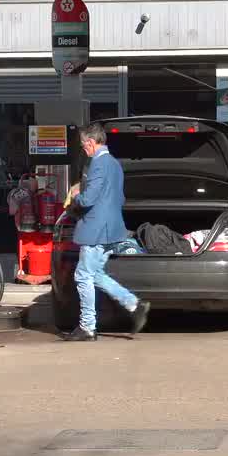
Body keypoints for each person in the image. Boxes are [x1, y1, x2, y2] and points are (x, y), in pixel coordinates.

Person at [64, 123, 150, 342]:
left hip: (95, 230)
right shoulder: (115, 164)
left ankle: (87, 327)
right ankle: (133, 304)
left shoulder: (98, 164)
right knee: (96, 275)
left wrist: (76, 195)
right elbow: (118, 198)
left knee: (83, 275)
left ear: (91, 143)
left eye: (84, 146)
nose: (84, 149)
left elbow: (89, 198)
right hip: (111, 228)